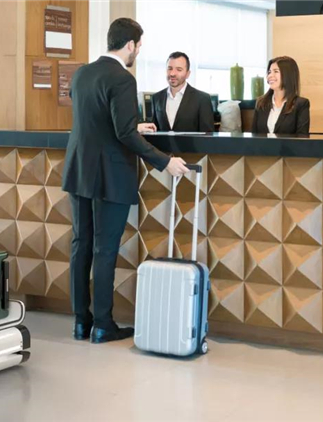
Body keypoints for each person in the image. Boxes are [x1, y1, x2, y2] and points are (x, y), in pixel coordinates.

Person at [61, 18, 190, 344]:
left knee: (81, 246)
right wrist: (164, 161)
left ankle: (81, 322)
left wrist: (133, 127)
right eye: (139, 46)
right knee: (104, 250)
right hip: (110, 175)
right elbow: (122, 134)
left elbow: (96, 119)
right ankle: (103, 325)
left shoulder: (82, 73)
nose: (138, 52)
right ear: (130, 45)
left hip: (79, 171)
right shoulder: (122, 78)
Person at [151, 52, 215, 133]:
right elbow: (154, 132)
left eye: (179, 69)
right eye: (169, 68)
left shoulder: (202, 99)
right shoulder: (156, 98)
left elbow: (208, 136)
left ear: (188, 74)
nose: (172, 73)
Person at [251, 56, 311, 135]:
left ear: (288, 75)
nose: (270, 76)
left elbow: (302, 137)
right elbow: (254, 136)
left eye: (276, 71)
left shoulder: (301, 104)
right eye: (269, 72)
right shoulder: (261, 103)